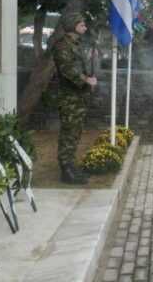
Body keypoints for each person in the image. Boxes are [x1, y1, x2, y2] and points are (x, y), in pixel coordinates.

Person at [53, 13, 97, 184]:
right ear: (72, 25)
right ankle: (66, 170)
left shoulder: (75, 44)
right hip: (68, 98)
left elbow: (80, 67)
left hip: (78, 96)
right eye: (82, 24)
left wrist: (89, 78)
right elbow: (67, 70)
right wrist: (86, 80)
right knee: (69, 132)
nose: (85, 26)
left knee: (75, 132)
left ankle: (71, 165)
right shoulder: (62, 46)